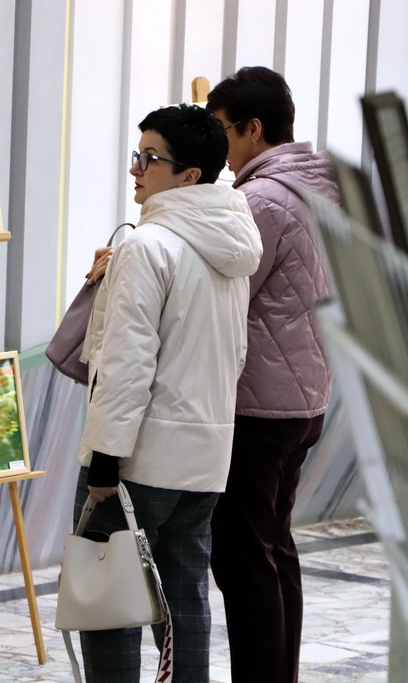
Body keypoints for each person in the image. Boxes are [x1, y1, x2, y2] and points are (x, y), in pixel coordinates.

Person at [74, 103, 262, 682]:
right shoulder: (232, 248)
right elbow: (233, 357)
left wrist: (105, 461)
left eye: (150, 159)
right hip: (205, 459)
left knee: (109, 606)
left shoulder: (148, 246)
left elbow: (127, 364)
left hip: (138, 458)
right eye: (137, 155)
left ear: (190, 175)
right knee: (183, 602)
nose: (136, 169)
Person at [206, 66, 341, 683]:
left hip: (258, 406)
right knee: (275, 549)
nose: (219, 148)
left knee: (243, 561)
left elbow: (227, 293)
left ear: (253, 128)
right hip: (305, 400)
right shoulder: (319, 189)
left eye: (222, 131)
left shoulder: (261, 201)